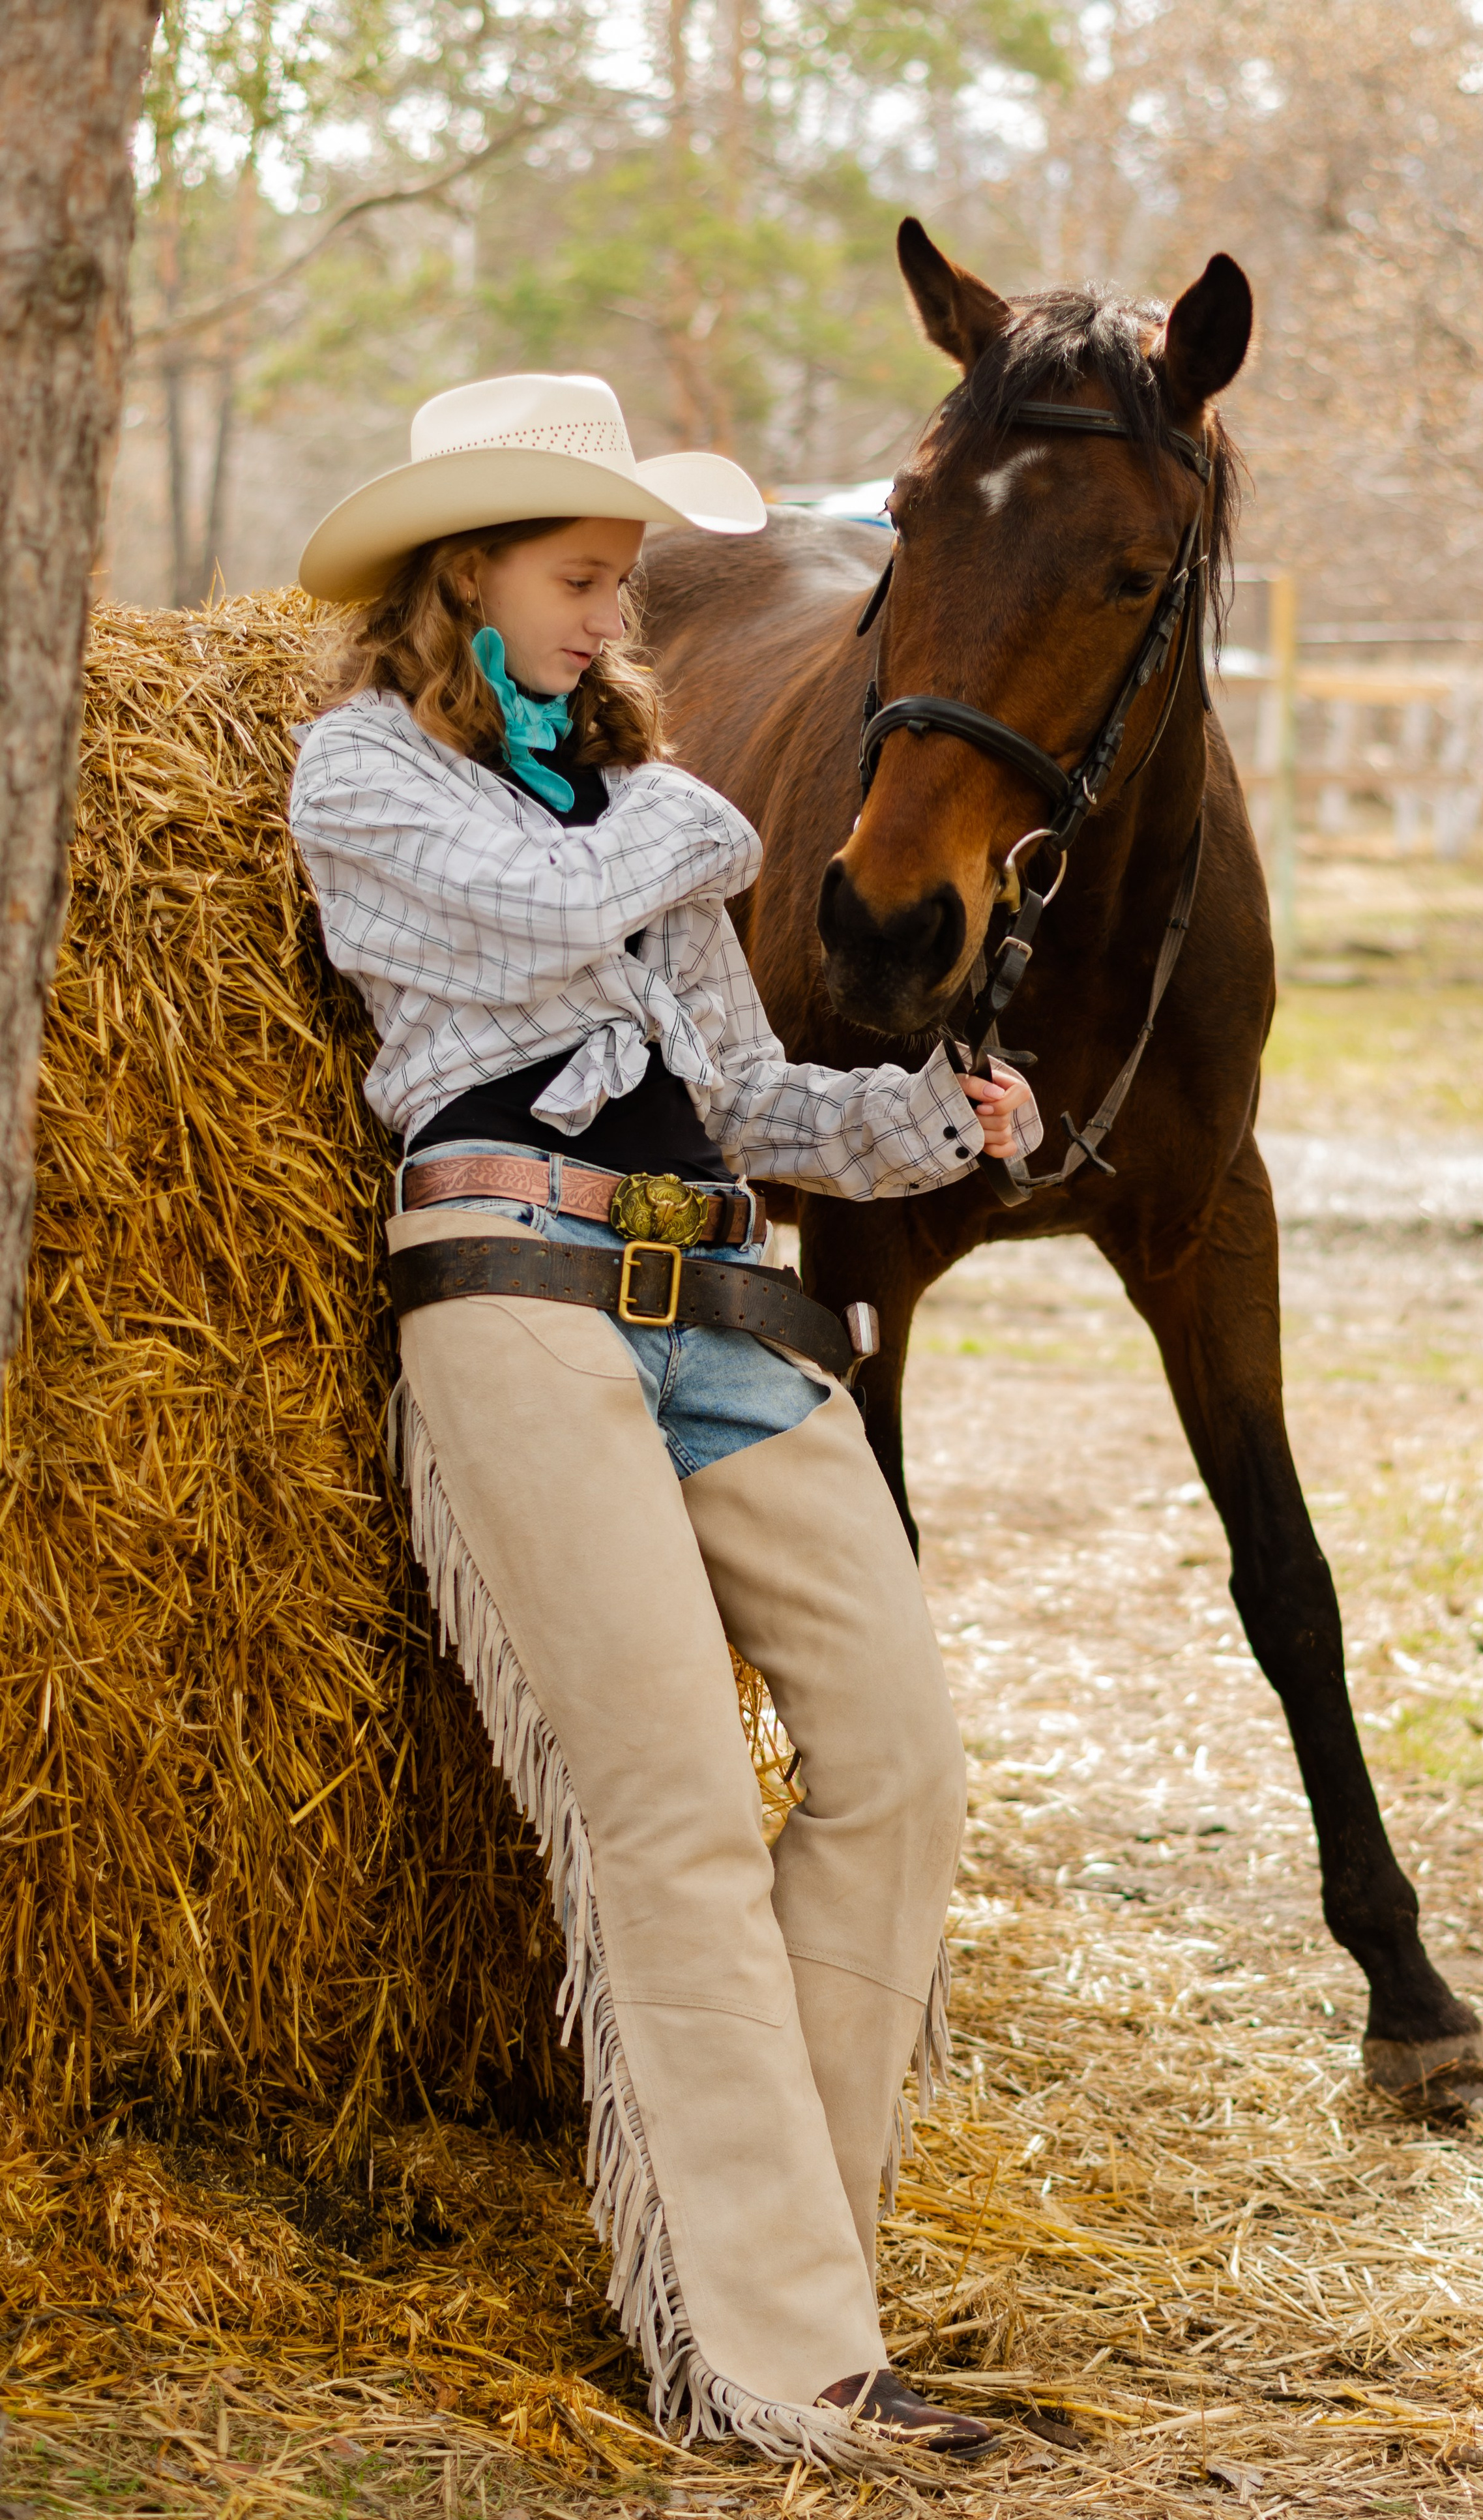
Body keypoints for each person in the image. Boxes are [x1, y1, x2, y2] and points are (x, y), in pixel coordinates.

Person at [289, 372, 1040, 2468]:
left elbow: (741, 1096)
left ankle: (822, 2263)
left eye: (627, 584)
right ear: (468, 574)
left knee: (897, 1757)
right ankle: (784, 2355)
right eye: (584, 579)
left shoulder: (640, 785)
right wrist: (715, 817)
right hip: (513, 1299)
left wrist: (929, 1122)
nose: (618, 617)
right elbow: (538, 916)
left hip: (715, 1292)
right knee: (677, 1814)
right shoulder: (359, 772)